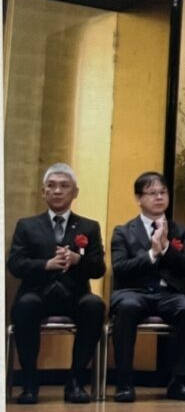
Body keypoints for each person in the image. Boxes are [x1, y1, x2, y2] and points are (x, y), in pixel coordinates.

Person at [6, 163, 106, 404]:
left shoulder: (89, 227)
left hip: (74, 295)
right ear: (43, 192)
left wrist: (78, 260)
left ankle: (75, 381)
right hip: (38, 293)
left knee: (94, 306)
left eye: (64, 186)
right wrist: (46, 264)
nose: (57, 191)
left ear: (75, 192)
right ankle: (29, 383)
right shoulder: (27, 225)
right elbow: (15, 264)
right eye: (51, 186)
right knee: (25, 306)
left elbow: (98, 269)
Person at [109, 172, 185, 402]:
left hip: (169, 294)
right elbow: (120, 269)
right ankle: (124, 382)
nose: (159, 197)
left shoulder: (181, 231)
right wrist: (152, 254)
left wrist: (168, 248)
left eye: (163, 192)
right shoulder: (123, 231)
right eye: (152, 193)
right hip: (134, 293)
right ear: (138, 198)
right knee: (127, 308)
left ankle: (179, 381)